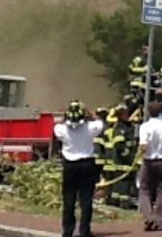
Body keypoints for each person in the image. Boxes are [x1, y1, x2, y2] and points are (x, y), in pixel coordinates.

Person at [54, 99, 104, 237]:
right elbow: (99, 121)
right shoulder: (90, 128)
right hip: (86, 165)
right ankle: (84, 231)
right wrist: (88, 109)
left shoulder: (61, 129)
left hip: (69, 166)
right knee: (86, 200)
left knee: (68, 200)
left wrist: (65, 113)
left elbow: (58, 124)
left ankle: (67, 231)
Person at [136, 100, 162, 231]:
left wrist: (139, 155)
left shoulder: (145, 127)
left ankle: (148, 217)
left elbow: (143, 145)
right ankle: (158, 221)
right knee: (161, 191)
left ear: (148, 112)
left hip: (148, 161)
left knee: (144, 189)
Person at [107, 105, 137, 209]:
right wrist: (129, 157)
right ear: (121, 115)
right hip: (123, 162)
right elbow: (119, 145)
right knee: (125, 183)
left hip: (124, 161)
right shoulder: (120, 128)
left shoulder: (126, 127)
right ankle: (124, 203)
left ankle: (115, 201)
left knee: (119, 183)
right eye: (125, 113)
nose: (128, 115)